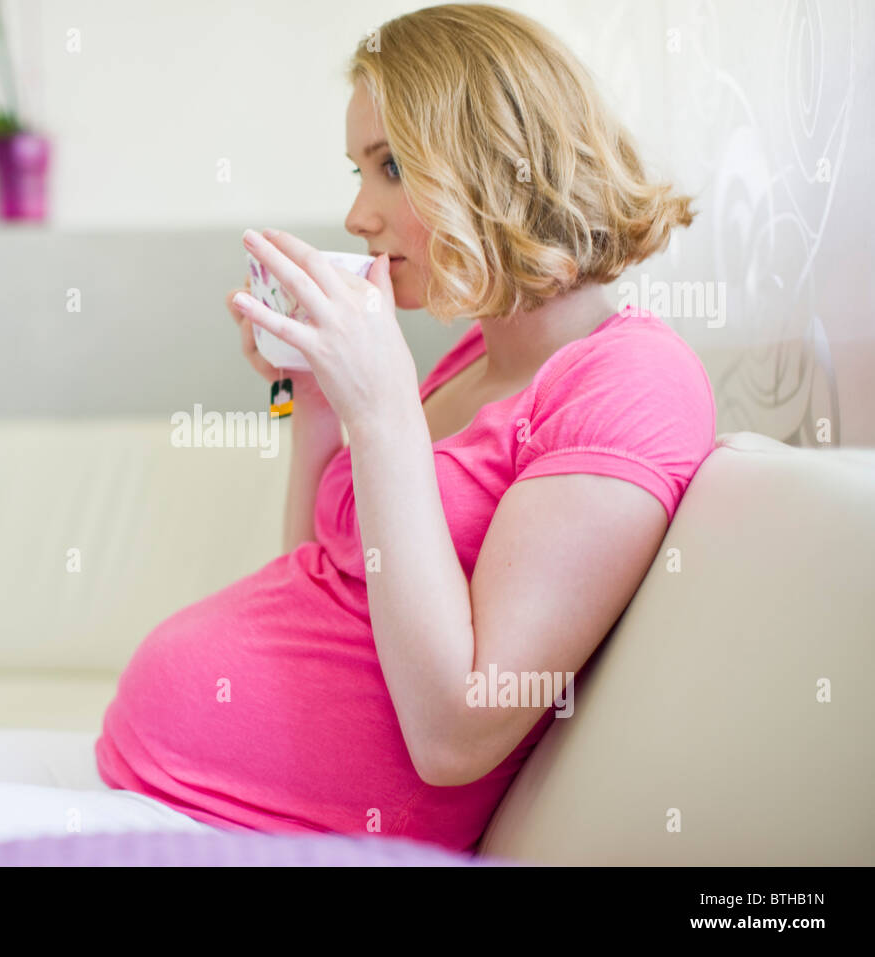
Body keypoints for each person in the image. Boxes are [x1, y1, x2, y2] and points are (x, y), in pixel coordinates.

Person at [96, 3, 715, 850]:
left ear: (498, 165)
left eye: (389, 167)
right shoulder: (472, 357)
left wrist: (382, 410)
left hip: (283, 831)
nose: (357, 214)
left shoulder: (632, 382)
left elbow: (458, 731)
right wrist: (313, 398)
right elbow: (320, 574)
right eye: (358, 170)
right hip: (173, 797)